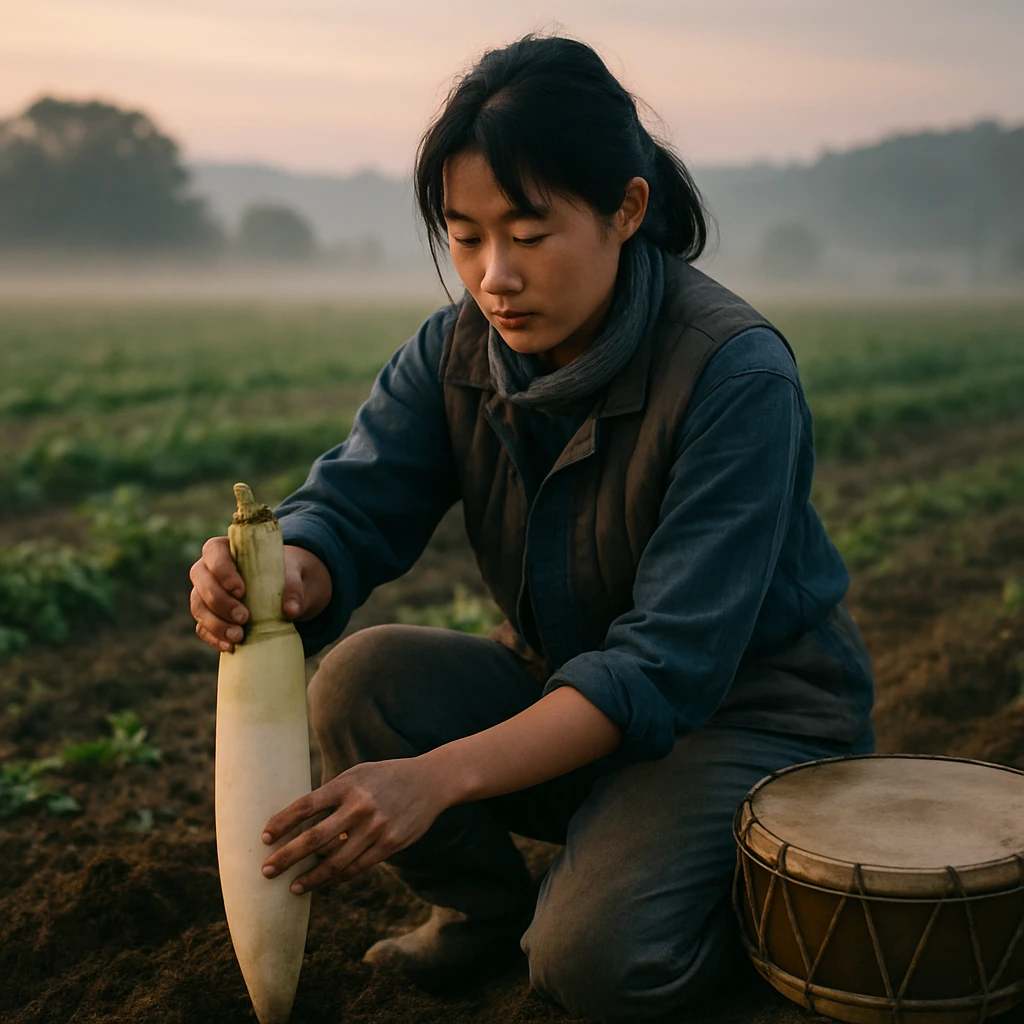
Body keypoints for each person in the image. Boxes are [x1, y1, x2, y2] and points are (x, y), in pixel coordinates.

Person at [189, 33, 875, 1024]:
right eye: (465, 236)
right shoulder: (455, 351)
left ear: (624, 210)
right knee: (359, 679)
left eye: (528, 231)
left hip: (745, 720)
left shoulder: (734, 377)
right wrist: (289, 570)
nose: (492, 274)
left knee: (594, 962)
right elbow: (351, 504)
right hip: (564, 689)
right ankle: (488, 911)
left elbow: (665, 668)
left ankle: (727, 910)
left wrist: (438, 777)